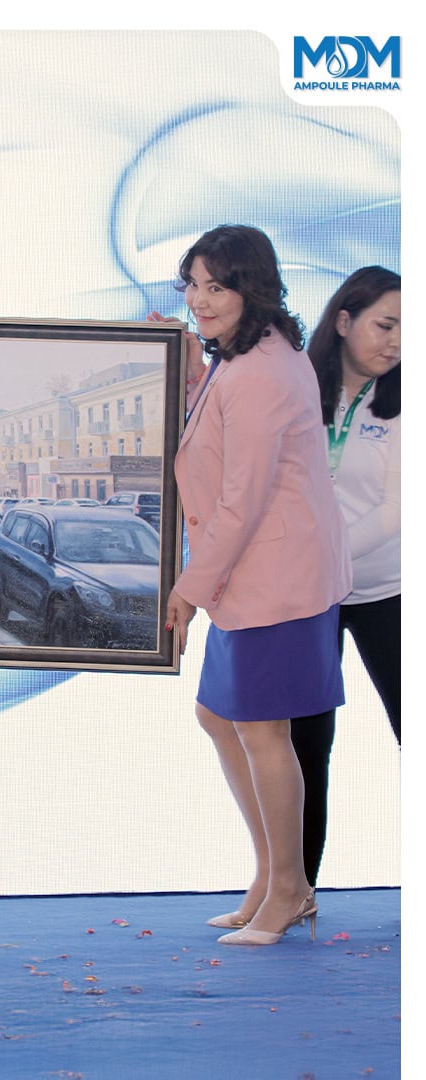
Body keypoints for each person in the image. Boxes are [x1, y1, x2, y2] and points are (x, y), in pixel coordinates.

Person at [152, 225, 352, 946]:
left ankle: (290, 888)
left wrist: (189, 588)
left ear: (252, 288)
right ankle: (273, 878)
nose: (201, 302)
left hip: (274, 579)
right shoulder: (252, 358)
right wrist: (186, 365)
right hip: (252, 575)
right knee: (220, 716)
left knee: (266, 731)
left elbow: (245, 495)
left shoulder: (264, 370)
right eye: (193, 287)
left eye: (217, 287)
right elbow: (224, 419)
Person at [290, 267, 400, 886]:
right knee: (307, 749)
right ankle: (295, 889)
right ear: (343, 320)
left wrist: (323, 561)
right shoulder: (296, 389)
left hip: (387, 591)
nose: (396, 342)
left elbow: (394, 512)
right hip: (309, 599)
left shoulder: (405, 401)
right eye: (386, 325)